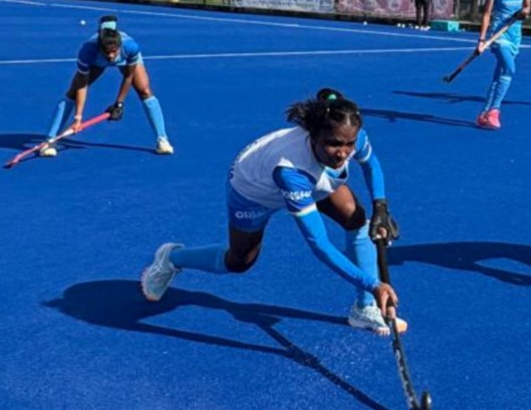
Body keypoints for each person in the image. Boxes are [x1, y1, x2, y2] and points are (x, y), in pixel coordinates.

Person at [139, 88, 403, 336]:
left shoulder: (350, 135)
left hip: (311, 176)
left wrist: (381, 207)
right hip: (253, 191)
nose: (343, 153)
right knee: (239, 262)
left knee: (355, 218)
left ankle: (363, 307)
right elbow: (319, 244)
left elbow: (371, 165)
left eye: (349, 144)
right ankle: (172, 257)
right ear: (313, 135)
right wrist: (374, 283)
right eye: (334, 144)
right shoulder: (290, 170)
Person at [42, 14, 172, 157]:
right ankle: (50, 140)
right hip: (97, 62)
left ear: (119, 46)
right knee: (73, 92)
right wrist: (77, 118)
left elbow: (128, 76)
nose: (110, 56)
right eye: (107, 52)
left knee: (145, 90)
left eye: (113, 51)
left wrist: (119, 104)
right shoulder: (87, 52)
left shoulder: (130, 47)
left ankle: (162, 140)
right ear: (100, 47)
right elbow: (82, 85)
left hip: (124, 59)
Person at [474, 0, 530, 129]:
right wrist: (482, 39)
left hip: (515, 35)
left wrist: (523, 13)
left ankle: (483, 114)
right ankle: (494, 111)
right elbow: (487, 14)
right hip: (498, 36)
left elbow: (528, 7)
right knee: (509, 69)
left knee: (499, 76)